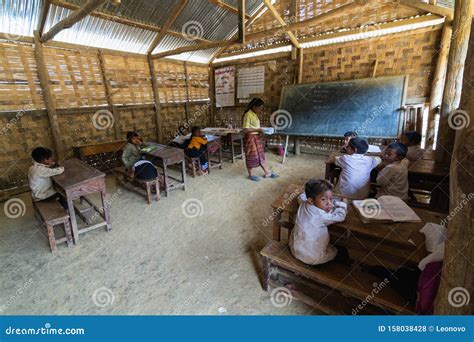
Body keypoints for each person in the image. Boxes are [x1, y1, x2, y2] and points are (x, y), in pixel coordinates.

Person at [289, 179, 350, 266]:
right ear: (311, 201)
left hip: (296, 250)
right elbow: (341, 217)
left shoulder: (304, 203)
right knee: (342, 251)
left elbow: (301, 196)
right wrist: (344, 204)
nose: (329, 203)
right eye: (324, 199)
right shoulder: (321, 216)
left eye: (331, 198)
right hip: (313, 258)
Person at [242, 98, 278, 181]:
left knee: (260, 155)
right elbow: (245, 129)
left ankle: (267, 172)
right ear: (254, 106)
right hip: (250, 138)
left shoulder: (254, 114)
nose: (260, 109)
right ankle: (251, 175)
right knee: (251, 156)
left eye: (261, 108)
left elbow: (254, 127)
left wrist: (260, 130)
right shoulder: (248, 114)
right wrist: (258, 130)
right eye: (259, 107)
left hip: (256, 138)